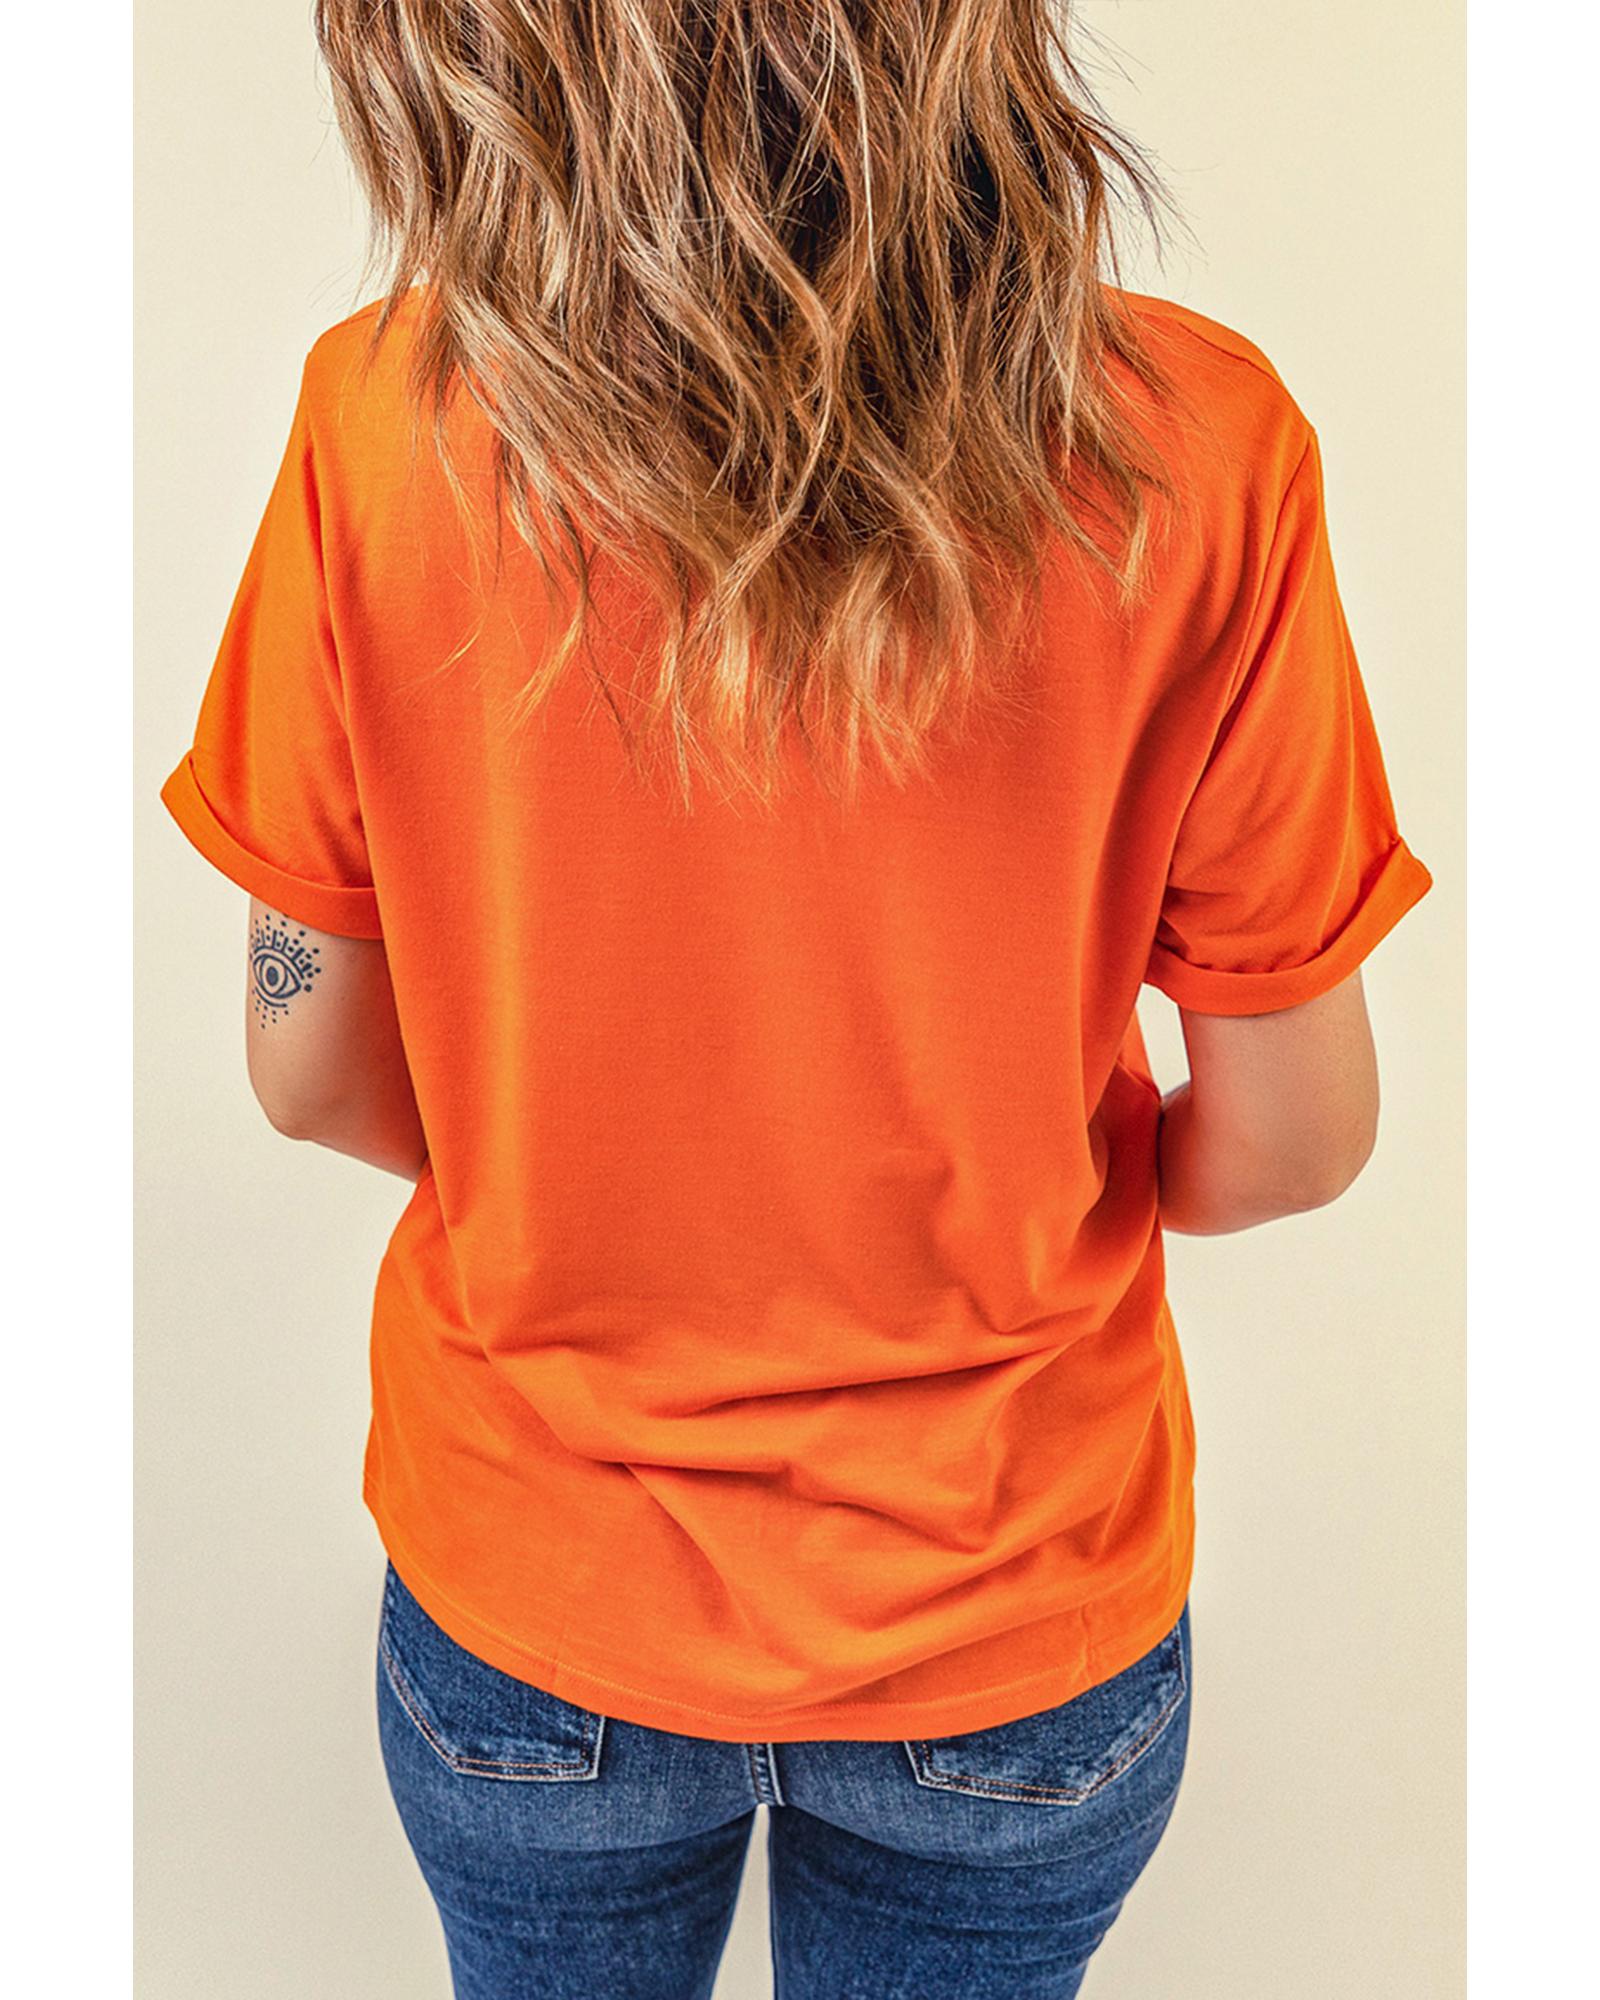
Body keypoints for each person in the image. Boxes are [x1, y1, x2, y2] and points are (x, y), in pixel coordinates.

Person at [157, 3, 1435, 1994]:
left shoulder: (382, 418)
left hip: (537, 1592)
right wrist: (1028, 1194)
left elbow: (303, 1060)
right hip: (1012, 1606)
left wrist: (565, 1171)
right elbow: (1295, 1138)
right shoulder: (1198, 446)